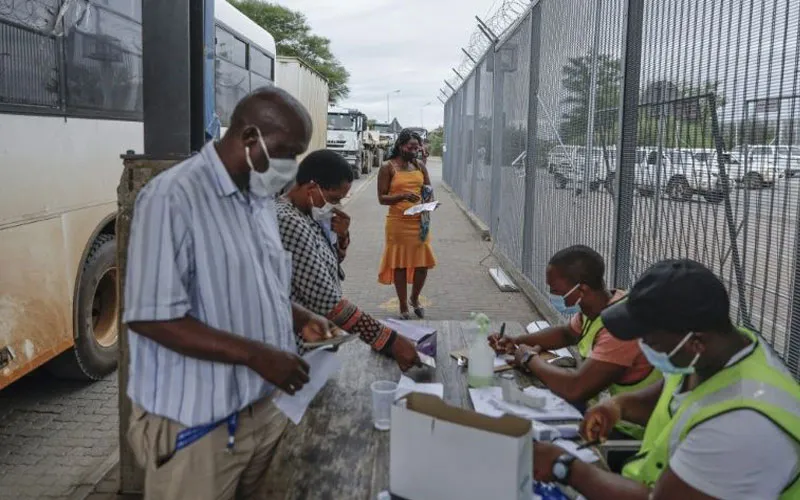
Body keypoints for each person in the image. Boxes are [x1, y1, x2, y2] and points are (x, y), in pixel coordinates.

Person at [123, 87, 336, 500]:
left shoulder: (257, 199)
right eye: (286, 152)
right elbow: (150, 317)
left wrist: (299, 318)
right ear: (250, 139)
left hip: (264, 414)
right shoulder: (171, 198)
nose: (291, 167)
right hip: (200, 433)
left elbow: (259, 283)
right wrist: (258, 355)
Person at [533, 259, 800, 500]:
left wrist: (566, 467)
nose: (642, 346)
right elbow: (673, 392)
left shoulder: (743, 426)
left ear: (696, 342)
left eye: (650, 340)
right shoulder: (719, 350)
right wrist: (618, 406)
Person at [490, 245, 659, 441]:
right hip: (604, 412)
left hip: (628, 431)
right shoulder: (602, 306)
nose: (552, 293)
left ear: (582, 289)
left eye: (555, 290)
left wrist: (529, 359)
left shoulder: (619, 328)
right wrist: (517, 341)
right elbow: (566, 333)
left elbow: (575, 389)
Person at [276, 149, 420, 370]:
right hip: (296, 351)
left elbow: (327, 267)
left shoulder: (306, 213)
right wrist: (390, 341)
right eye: (333, 199)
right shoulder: (289, 222)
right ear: (312, 187)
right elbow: (328, 302)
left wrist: (341, 237)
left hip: (316, 342)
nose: (336, 206)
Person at [377, 129, 437, 319]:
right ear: (400, 146)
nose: (414, 151)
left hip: (420, 221)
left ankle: (414, 298)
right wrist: (402, 196)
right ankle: (403, 305)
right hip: (398, 222)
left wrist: (430, 202)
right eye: (410, 147)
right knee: (400, 265)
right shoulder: (388, 167)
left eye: (416, 147)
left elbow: (428, 189)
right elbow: (382, 198)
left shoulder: (420, 166)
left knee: (422, 264)